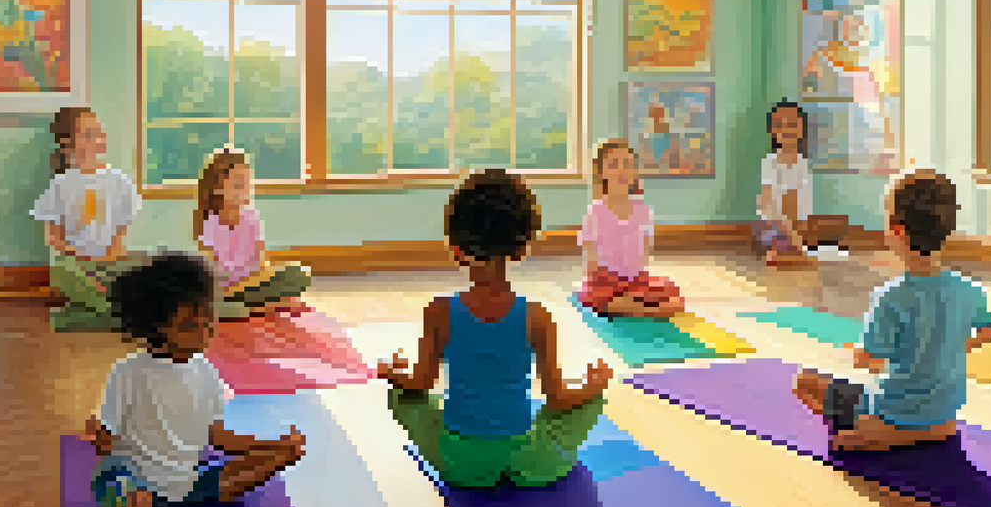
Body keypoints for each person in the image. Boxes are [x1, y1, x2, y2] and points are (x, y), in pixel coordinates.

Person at [379, 169, 613, 487]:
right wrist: (593, 384)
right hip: (525, 456)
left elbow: (420, 383)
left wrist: (394, 373)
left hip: (460, 464)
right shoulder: (537, 316)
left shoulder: (439, 312)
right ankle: (523, 464)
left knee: (403, 398)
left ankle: (474, 462)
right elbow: (557, 397)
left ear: (456, 248)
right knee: (590, 401)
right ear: (522, 248)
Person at [84, 252, 305, 507]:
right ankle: (143, 503)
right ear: (159, 327)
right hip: (171, 483)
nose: (204, 332)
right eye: (190, 325)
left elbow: (107, 440)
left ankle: (137, 506)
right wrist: (271, 448)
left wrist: (274, 447)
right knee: (224, 475)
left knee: (107, 482)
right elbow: (219, 438)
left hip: (159, 481)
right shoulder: (194, 372)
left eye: (208, 320)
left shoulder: (129, 370)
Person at [792, 170, 991, 451]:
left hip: (892, 412)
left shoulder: (890, 298)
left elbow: (868, 362)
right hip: (944, 416)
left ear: (896, 229)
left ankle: (880, 433)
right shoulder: (970, 291)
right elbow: (990, 330)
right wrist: (952, 345)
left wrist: (857, 351)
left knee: (804, 381)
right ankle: (924, 431)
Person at [194, 147, 372, 393]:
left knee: (298, 273)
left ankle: (258, 306)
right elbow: (210, 270)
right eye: (237, 185)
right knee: (219, 305)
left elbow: (261, 260)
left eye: (246, 184)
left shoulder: (251, 217)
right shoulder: (210, 224)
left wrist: (268, 281)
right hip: (225, 290)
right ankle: (255, 307)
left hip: (253, 284)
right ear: (217, 189)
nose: (244, 191)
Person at [31, 107, 147, 331]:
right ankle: (118, 311)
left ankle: (98, 308)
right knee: (61, 269)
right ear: (68, 144)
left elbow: (121, 230)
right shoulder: (61, 185)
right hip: (78, 265)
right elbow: (51, 237)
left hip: (111, 264)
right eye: (87, 134)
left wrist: (109, 257)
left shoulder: (119, 181)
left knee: (146, 263)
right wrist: (79, 255)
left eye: (98, 131)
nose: (97, 138)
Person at [577, 139, 684, 318]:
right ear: (601, 172)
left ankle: (636, 305)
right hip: (605, 281)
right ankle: (639, 308)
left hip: (635, 281)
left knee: (673, 295)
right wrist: (601, 281)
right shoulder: (596, 211)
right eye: (614, 164)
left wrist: (636, 281)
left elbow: (644, 249)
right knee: (599, 297)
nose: (621, 170)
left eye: (627, 164)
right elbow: (590, 255)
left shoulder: (642, 209)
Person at [753, 100, 849, 264]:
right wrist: (791, 233)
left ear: (801, 129)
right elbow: (768, 204)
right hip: (775, 226)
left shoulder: (801, 163)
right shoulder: (771, 162)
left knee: (835, 230)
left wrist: (801, 231)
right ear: (773, 131)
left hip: (796, 226)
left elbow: (804, 201)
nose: (786, 130)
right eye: (780, 125)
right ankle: (787, 249)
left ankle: (800, 249)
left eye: (791, 124)